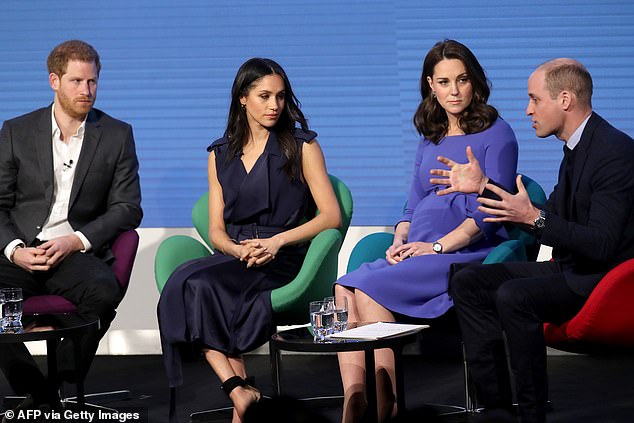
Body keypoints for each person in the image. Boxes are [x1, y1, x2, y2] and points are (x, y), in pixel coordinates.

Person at [430, 58, 634, 423]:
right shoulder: (575, 149)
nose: (528, 110)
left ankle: (531, 413)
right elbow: (546, 215)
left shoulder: (614, 152)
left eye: (535, 100)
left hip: (601, 280)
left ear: (565, 100)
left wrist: (535, 218)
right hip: (573, 269)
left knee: (514, 295)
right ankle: (498, 408)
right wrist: (483, 187)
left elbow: (602, 243)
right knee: (468, 281)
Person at [333, 39, 518, 422]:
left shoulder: (498, 133)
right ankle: (355, 400)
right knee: (344, 288)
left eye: (462, 80)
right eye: (444, 81)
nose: (454, 91)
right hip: (421, 248)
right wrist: (401, 240)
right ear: (430, 85)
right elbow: (413, 204)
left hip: (465, 251)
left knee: (369, 290)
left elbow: (492, 209)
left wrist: (436, 247)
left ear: (475, 82)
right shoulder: (429, 136)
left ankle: (389, 410)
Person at [157, 58, 341, 423]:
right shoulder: (218, 154)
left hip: (285, 256)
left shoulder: (302, 146)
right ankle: (238, 389)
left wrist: (277, 243)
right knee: (182, 283)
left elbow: (330, 216)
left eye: (280, 96)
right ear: (243, 98)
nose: (274, 105)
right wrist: (237, 249)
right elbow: (216, 231)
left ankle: (240, 396)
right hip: (237, 254)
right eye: (264, 96)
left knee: (204, 286)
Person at [0, 40, 142, 413]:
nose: (86, 91)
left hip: (73, 252)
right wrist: (15, 249)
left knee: (103, 290)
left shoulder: (116, 134)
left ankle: (59, 378)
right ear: (54, 81)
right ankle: (38, 391)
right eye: (77, 81)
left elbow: (128, 208)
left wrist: (75, 241)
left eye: (93, 82)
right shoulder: (16, 131)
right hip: (22, 249)